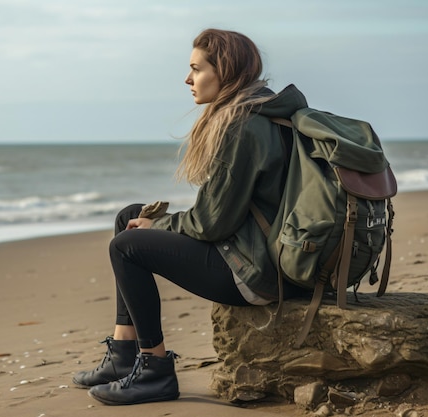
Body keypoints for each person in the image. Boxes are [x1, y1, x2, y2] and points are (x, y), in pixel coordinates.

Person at [73, 28, 308, 405]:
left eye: (196, 69)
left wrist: (159, 224)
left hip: (256, 272)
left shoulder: (243, 123)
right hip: (273, 259)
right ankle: (123, 356)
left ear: (225, 70)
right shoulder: (268, 111)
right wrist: (152, 221)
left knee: (126, 245)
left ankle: (154, 370)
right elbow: (220, 214)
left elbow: (213, 222)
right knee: (129, 218)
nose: (188, 79)